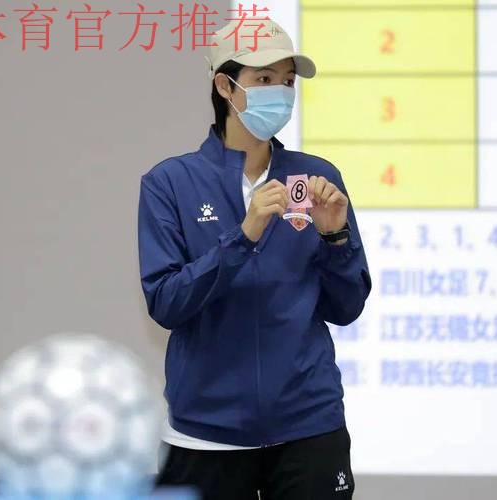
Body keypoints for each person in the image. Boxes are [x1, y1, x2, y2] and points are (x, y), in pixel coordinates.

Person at [137, 17, 371, 500]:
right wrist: (243, 237)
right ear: (225, 86)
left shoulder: (317, 178)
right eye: (263, 79)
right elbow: (166, 303)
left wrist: (335, 238)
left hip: (309, 425)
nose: (280, 93)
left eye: (287, 81)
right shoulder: (170, 183)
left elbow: (346, 308)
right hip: (206, 433)